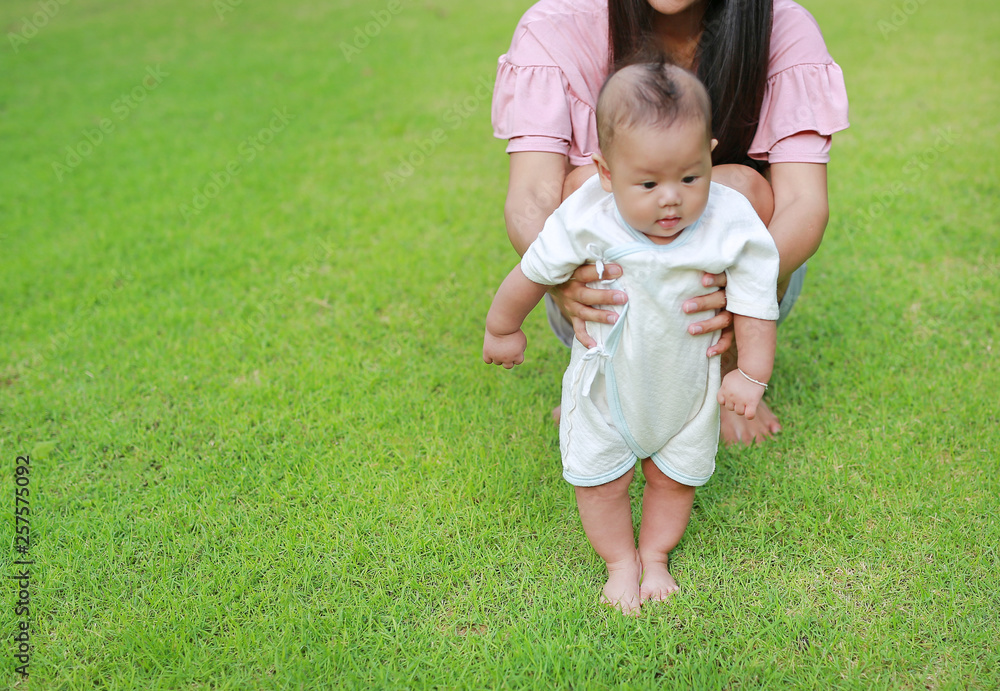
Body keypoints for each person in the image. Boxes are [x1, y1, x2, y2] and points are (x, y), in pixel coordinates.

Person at [483, 63, 779, 613]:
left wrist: (751, 372)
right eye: (647, 184)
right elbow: (533, 271)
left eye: (690, 178)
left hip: (685, 391)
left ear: (710, 156)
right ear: (604, 170)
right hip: (605, 386)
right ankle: (620, 561)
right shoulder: (587, 218)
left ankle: (657, 554)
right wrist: (503, 327)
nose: (671, 199)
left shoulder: (729, 219)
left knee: (674, 481)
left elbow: (757, 301)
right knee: (600, 483)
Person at [491, 0, 849, 444]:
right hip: (607, 277)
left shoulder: (782, 26)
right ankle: (601, 382)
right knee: (583, 185)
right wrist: (561, 277)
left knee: (742, 186)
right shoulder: (555, 24)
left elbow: (804, 204)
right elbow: (532, 199)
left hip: (723, 287)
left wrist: (742, 284)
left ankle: (729, 373)